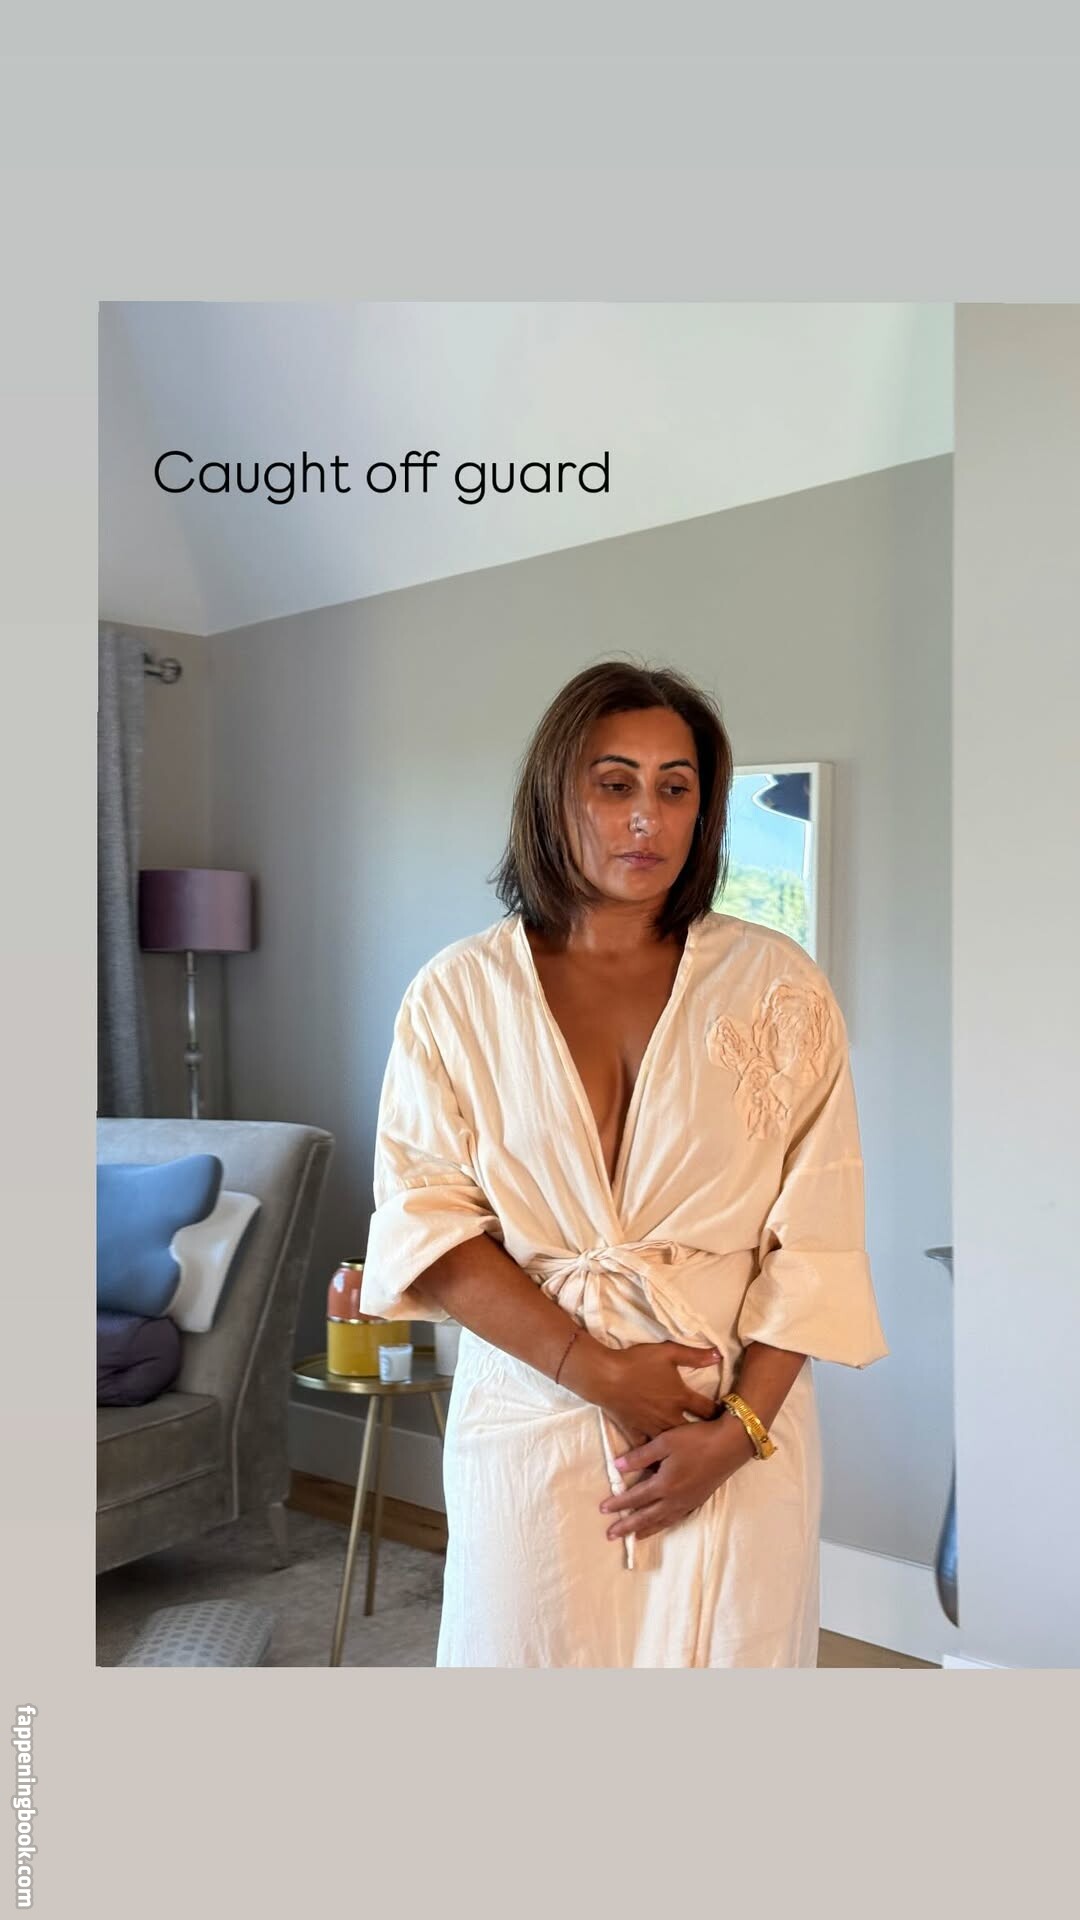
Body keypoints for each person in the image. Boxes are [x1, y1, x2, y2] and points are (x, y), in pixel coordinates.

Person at [360, 660, 888, 1667]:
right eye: (614, 784)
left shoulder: (777, 984)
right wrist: (594, 1371)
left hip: (728, 1414)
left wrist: (736, 1434)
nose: (646, 817)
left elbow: (819, 1239)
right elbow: (427, 1224)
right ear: (554, 796)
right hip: (532, 1412)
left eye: (675, 787)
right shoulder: (456, 995)